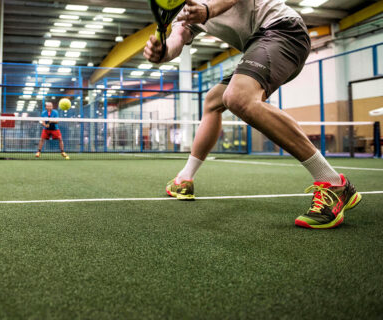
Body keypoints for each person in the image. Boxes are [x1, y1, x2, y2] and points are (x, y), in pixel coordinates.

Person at [144, 0, 361, 229]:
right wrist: (164, 52)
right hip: (258, 45)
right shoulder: (183, 10)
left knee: (238, 98)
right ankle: (184, 178)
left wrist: (208, 11)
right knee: (213, 101)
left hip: (284, 31)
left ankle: (332, 182)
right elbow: (177, 37)